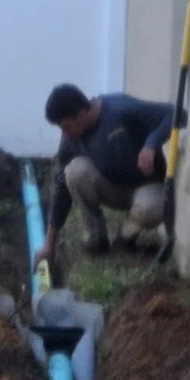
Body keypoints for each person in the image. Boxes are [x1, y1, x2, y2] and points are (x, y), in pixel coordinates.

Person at [44, 82, 174, 272]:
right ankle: (97, 237)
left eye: (67, 126)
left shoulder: (119, 109)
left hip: (146, 185)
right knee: (73, 171)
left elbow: (172, 113)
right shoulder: (71, 140)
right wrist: (49, 245)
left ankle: (125, 236)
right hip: (112, 188)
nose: (64, 134)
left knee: (152, 209)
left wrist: (151, 144)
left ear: (81, 115)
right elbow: (61, 188)